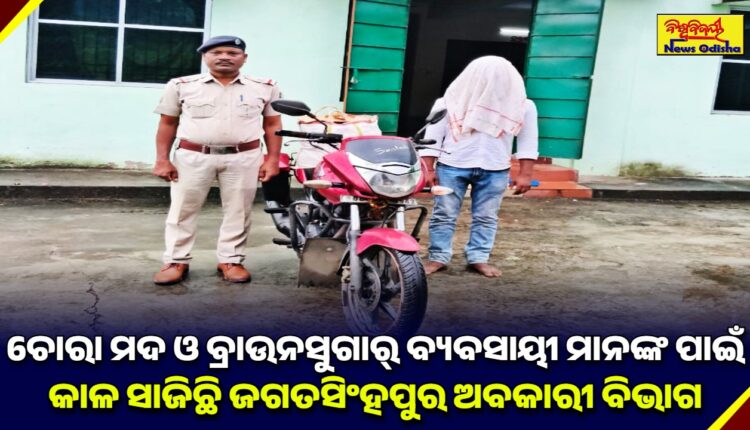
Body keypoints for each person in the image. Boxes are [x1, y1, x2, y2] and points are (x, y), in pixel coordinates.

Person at [151, 35, 282, 285]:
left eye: (232, 53)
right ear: (205, 57)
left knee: (238, 211)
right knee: (182, 210)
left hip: (244, 157)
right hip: (193, 156)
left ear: (244, 58)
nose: (224, 57)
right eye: (217, 52)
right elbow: (167, 123)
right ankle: (176, 260)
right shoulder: (181, 86)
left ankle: (231, 260)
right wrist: (162, 160)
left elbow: (273, 124)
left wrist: (272, 159)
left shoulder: (265, 87)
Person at [419, 56, 538, 278]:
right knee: (444, 214)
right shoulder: (448, 102)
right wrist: (429, 168)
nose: (492, 82)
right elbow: (432, 137)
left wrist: (525, 174)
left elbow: (528, 142)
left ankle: (478, 258)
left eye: (498, 78)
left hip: (496, 169)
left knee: (486, 216)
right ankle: (438, 257)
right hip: (452, 166)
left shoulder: (523, 106)